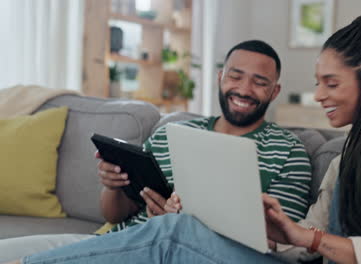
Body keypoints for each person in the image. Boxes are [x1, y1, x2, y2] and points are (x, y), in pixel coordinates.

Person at [12, 15, 361, 264]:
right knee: (172, 229)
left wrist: (311, 240)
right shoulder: (354, 151)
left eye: (331, 83)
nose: (319, 94)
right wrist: (282, 232)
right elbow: (308, 240)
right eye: (318, 82)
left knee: (173, 232)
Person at [0, 40, 312, 262]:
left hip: (168, 250)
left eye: (259, 82)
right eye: (235, 76)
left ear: (275, 91)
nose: (244, 90)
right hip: (109, 242)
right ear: (220, 77)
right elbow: (113, 214)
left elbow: (275, 242)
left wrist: (185, 219)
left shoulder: (289, 152)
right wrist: (114, 185)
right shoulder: (172, 134)